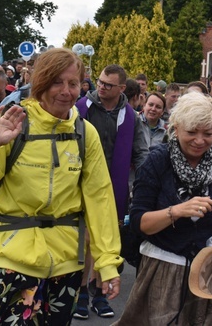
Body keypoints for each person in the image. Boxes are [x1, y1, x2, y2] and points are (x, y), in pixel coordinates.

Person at [0, 48, 122, 325]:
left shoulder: (84, 132)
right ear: (41, 82)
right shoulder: (15, 121)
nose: (66, 91)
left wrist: (107, 262)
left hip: (66, 265)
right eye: (57, 82)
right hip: (11, 260)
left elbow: (99, 198)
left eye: (73, 83)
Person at [114, 91, 212, 325]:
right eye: (191, 132)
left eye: (208, 133)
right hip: (163, 272)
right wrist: (177, 210)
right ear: (175, 127)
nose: (200, 140)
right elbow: (138, 222)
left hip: (210, 273)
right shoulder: (157, 162)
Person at [74, 64, 149, 320]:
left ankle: (99, 293)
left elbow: (140, 152)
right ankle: (82, 292)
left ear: (120, 88)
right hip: (81, 184)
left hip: (114, 188)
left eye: (108, 84)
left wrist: (144, 182)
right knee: (85, 241)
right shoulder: (80, 108)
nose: (101, 86)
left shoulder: (131, 116)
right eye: (100, 81)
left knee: (105, 241)